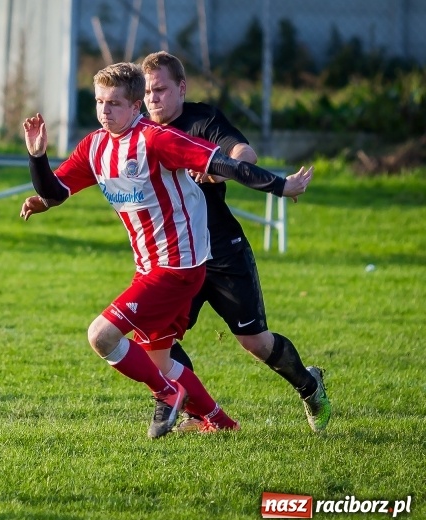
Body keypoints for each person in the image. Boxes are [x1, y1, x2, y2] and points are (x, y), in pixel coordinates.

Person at [21, 61, 314, 438]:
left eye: (114, 103)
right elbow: (55, 192)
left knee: (102, 336)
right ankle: (220, 423)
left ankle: (168, 395)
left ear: (134, 107)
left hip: (179, 266)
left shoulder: (157, 139)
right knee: (160, 360)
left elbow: (227, 163)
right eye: (98, 102)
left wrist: (281, 186)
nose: (104, 110)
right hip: (150, 266)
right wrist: (37, 156)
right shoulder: (95, 146)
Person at [140, 50, 331, 433]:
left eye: (160, 89)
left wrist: (220, 172)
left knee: (255, 343)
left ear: (181, 87)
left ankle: (310, 387)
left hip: (223, 252)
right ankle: (194, 412)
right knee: (155, 339)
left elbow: (244, 152)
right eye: (146, 92)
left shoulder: (203, 118)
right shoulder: (141, 133)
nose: (153, 98)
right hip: (176, 257)